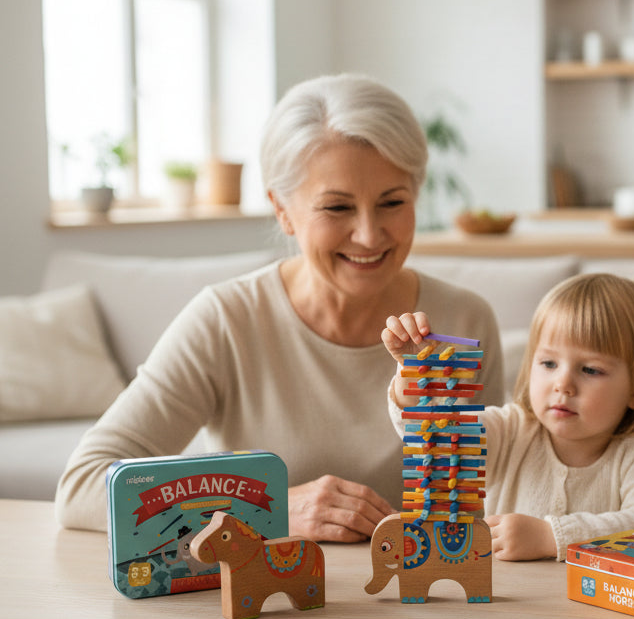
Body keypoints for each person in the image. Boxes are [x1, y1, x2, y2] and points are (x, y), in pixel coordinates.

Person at [55, 73, 504, 540]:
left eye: (392, 202)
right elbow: (83, 485)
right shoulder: (225, 320)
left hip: (423, 605)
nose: (369, 235)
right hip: (267, 608)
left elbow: (500, 493)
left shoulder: (466, 319)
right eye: (336, 208)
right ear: (282, 210)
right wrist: (264, 510)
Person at [382, 273, 634, 561]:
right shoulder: (511, 429)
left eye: (591, 369)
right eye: (549, 363)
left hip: (599, 613)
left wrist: (551, 537)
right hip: (512, 612)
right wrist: (415, 382)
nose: (562, 384)